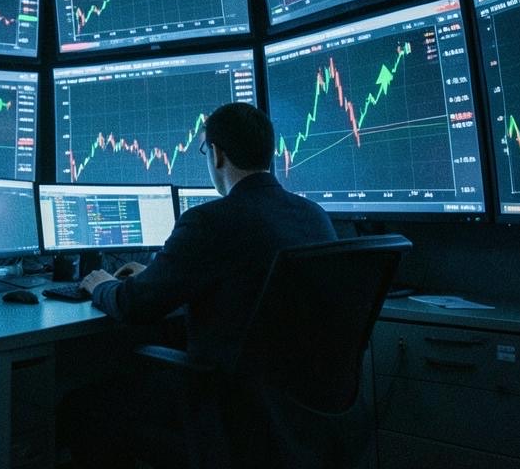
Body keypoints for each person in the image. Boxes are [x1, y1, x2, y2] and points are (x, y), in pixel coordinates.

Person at [61, 102, 336, 466]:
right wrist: (154, 274)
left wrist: (101, 284)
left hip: (227, 405)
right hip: (297, 411)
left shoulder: (210, 220)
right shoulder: (313, 215)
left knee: (78, 404)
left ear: (218, 155)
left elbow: (134, 305)